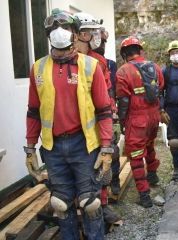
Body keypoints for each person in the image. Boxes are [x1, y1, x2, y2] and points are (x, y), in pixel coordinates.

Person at [25, 9, 112, 239]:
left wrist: (106, 148)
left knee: (90, 203)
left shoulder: (90, 66)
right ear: (48, 34)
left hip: (83, 145)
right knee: (61, 204)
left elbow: (104, 110)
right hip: (53, 149)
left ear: (75, 34)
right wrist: (30, 147)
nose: (60, 32)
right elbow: (33, 111)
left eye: (65, 27)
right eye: (54, 28)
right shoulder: (38, 69)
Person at [74, 12, 121, 225]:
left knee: (102, 166)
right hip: (73, 128)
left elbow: (108, 93)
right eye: (93, 32)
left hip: (96, 123)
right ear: (80, 34)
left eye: (97, 32)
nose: (98, 36)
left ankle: (101, 205)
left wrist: (111, 116)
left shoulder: (99, 61)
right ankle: (77, 205)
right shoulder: (65, 59)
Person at [116, 36, 164, 208]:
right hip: (153, 116)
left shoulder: (123, 71)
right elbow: (161, 88)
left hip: (136, 119)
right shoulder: (156, 67)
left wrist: (122, 122)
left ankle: (144, 195)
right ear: (140, 50)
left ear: (124, 54)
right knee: (150, 145)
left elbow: (123, 101)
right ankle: (153, 176)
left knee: (136, 155)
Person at [93, 26, 121, 197]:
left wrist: (115, 111)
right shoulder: (86, 63)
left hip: (108, 112)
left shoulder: (110, 64)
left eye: (103, 41)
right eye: (99, 41)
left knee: (113, 151)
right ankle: (99, 193)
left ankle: (115, 180)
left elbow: (113, 90)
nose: (101, 45)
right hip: (93, 116)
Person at [161, 40, 178, 180]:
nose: (175, 55)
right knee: (174, 142)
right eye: (172, 53)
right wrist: (161, 110)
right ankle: (177, 169)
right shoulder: (165, 71)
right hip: (171, 110)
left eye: (177, 52)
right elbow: (160, 92)